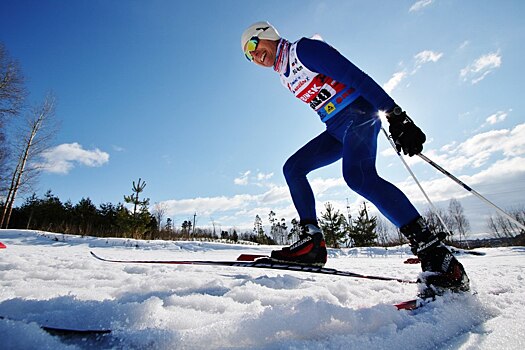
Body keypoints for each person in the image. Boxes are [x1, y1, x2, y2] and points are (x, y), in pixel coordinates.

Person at [240, 21, 469, 297]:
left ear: (268, 35)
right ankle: (311, 244)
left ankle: (439, 257)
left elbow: (356, 77)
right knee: (293, 168)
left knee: (359, 177)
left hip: (359, 115)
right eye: (248, 56)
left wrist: (395, 114)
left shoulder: (304, 51)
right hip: (337, 128)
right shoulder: (284, 76)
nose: (255, 56)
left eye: (254, 45)